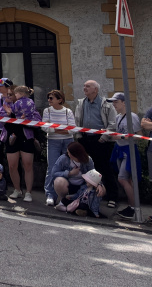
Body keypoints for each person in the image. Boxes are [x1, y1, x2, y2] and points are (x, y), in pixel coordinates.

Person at [74, 79, 117, 208]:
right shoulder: (81, 103)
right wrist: (79, 136)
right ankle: (91, 195)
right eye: (84, 86)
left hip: (101, 140)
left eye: (88, 86)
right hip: (86, 139)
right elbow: (77, 121)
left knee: (105, 168)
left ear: (95, 89)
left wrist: (103, 137)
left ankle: (112, 197)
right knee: (88, 169)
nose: (84, 88)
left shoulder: (106, 104)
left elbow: (112, 123)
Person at [0, 85, 39, 202]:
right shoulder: (6, 106)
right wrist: (8, 114)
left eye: (11, 94)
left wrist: (25, 119)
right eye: (8, 95)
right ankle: (17, 190)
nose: (9, 97)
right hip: (11, 138)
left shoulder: (28, 104)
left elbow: (37, 120)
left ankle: (28, 192)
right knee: (12, 165)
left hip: (26, 137)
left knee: (27, 165)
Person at [107, 92, 142, 219]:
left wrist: (120, 136)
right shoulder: (118, 117)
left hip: (128, 150)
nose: (114, 105)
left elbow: (138, 135)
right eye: (113, 102)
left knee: (123, 178)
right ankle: (132, 206)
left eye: (116, 102)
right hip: (120, 149)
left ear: (124, 102)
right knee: (126, 179)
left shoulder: (132, 117)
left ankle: (133, 207)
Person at [42, 89, 76, 206]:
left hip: (68, 141)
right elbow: (45, 127)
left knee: (69, 167)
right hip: (53, 141)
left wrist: (55, 129)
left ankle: (66, 195)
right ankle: (50, 195)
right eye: (48, 98)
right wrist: (61, 129)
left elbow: (72, 129)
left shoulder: (68, 111)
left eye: (51, 98)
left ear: (60, 100)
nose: (49, 100)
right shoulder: (47, 111)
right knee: (52, 167)